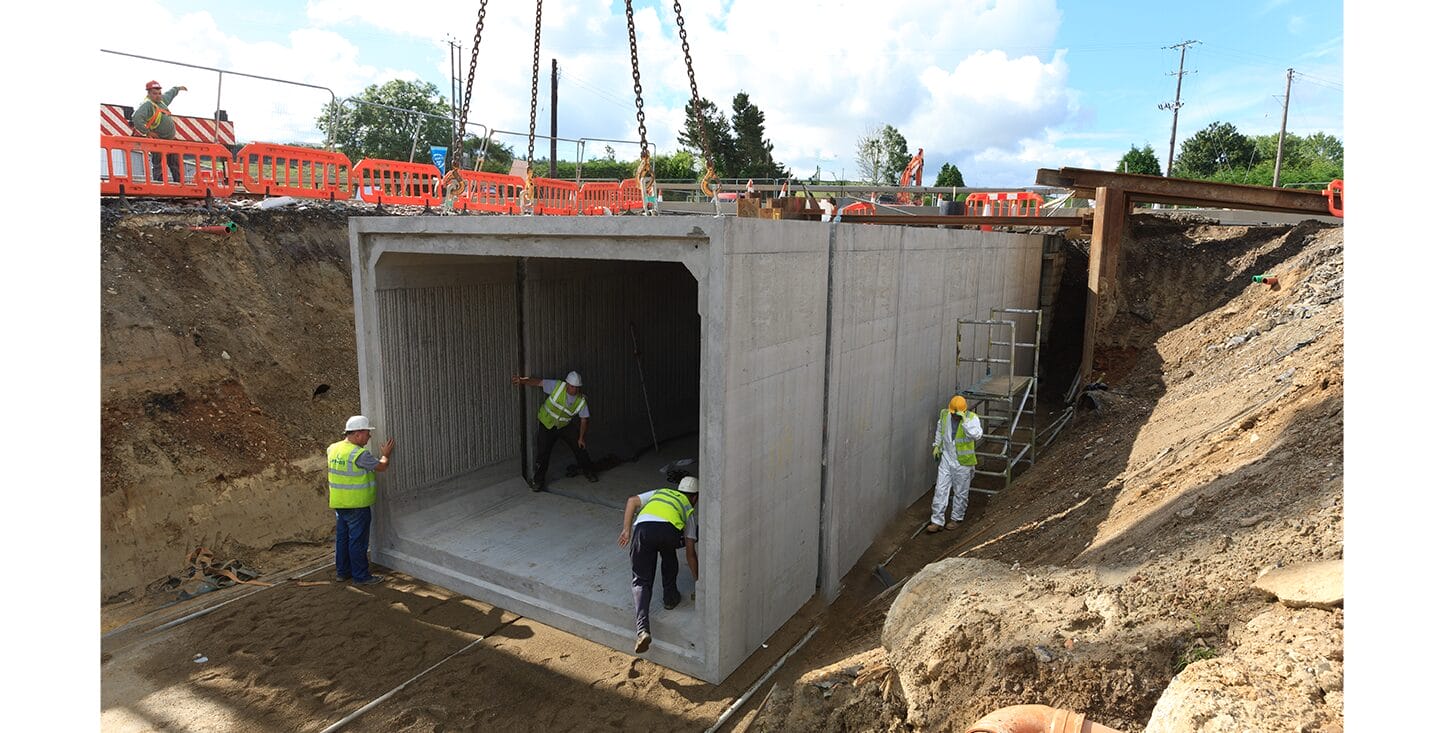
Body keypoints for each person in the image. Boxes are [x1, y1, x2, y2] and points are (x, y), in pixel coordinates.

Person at [618, 476, 700, 654]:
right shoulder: (688, 509)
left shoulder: (660, 492)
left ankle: (642, 630)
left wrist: (627, 529)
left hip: (642, 531)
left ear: (679, 490)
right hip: (668, 534)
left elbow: (632, 501)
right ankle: (670, 598)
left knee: (641, 581)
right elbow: (690, 553)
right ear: (695, 497)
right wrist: (699, 583)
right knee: (669, 553)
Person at [327, 415, 395, 585]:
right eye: (367, 433)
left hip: (339, 503)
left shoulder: (333, 448)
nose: (369, 437)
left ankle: (343, 572)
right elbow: (382, 466)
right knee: (358, 541)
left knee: (343, 539)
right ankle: (361, 576)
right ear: (357, 434)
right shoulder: (359, 454)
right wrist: (385, 455)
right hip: (357, 505)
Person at [511, 371, 598, 491]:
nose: (574, 390)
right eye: (572, 386)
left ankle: (589, 472)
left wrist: (581, 437)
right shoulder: (557, 386)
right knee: (543, 453)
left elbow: (584, 420)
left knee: (580, 447)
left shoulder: (581, 400)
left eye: (577, 387)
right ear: (567, 384)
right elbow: (538, 382)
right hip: (547, 424)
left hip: (564, 425)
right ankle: (538, 481)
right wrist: (522, 381)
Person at [928, 395, 983, 533]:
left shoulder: (971, 419)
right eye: (954, 414)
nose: (955, 417)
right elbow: (940, 430)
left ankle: (956, 518)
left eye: (957, 414)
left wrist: (965, 422)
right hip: (947, 458)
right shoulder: (945, 414)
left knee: (960, 492)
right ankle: (937, 521)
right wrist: (937, 445)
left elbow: (976, 435)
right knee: (941, 489)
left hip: (963, 462)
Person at [131, 80, 188, 183]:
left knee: (174, 163)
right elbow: (136, 118)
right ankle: (159, 184)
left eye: (159, 93)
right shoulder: (147, 105)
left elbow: (169, 94)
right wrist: (147, 132)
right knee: (158, 164)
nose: (158, 96)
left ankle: (180, 184)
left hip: (170, 140)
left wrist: (177, 88)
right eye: (155, 93)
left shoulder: (161, 101)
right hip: (158, 140)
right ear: (149, 94)